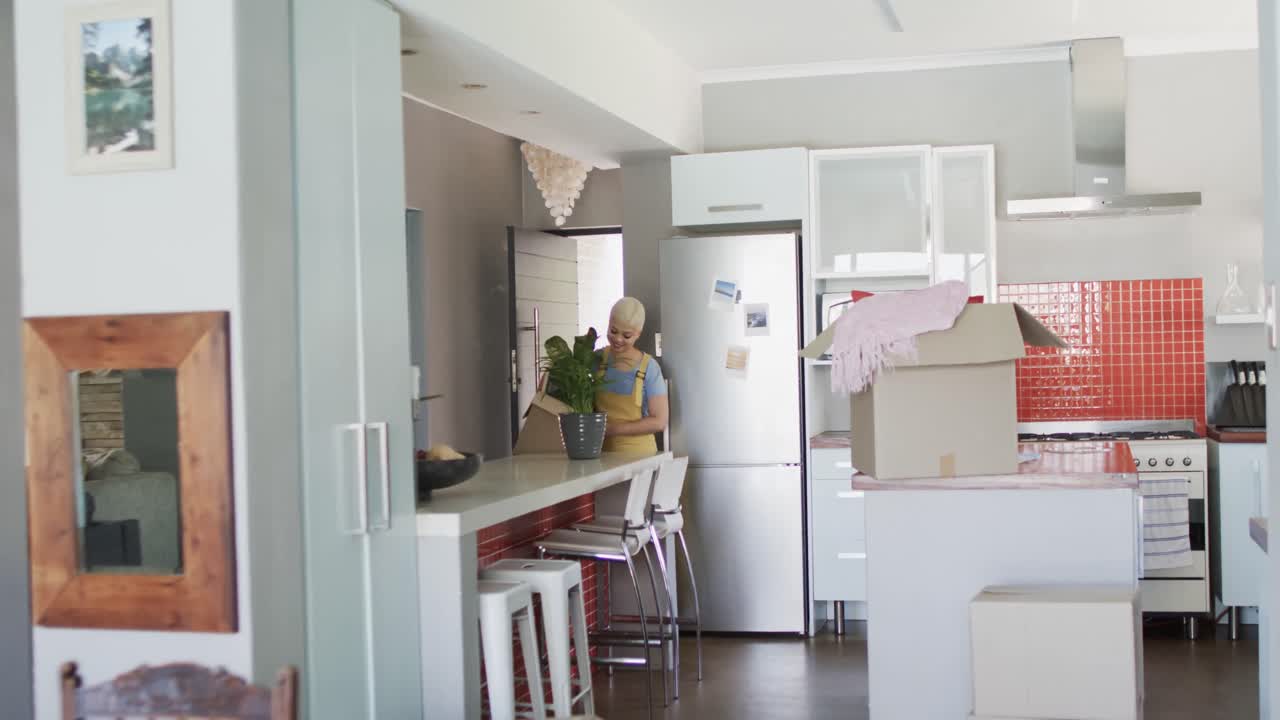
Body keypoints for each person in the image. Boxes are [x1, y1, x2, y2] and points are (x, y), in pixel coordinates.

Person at [595, 297, 668, 455]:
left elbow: (659, 421)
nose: (618, 339)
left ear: (638, 334)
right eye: (613, 331)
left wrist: (611, 429)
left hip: (639, 458)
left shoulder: (649, 368)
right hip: (599, 456)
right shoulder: (597, 359)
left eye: (626, 335)